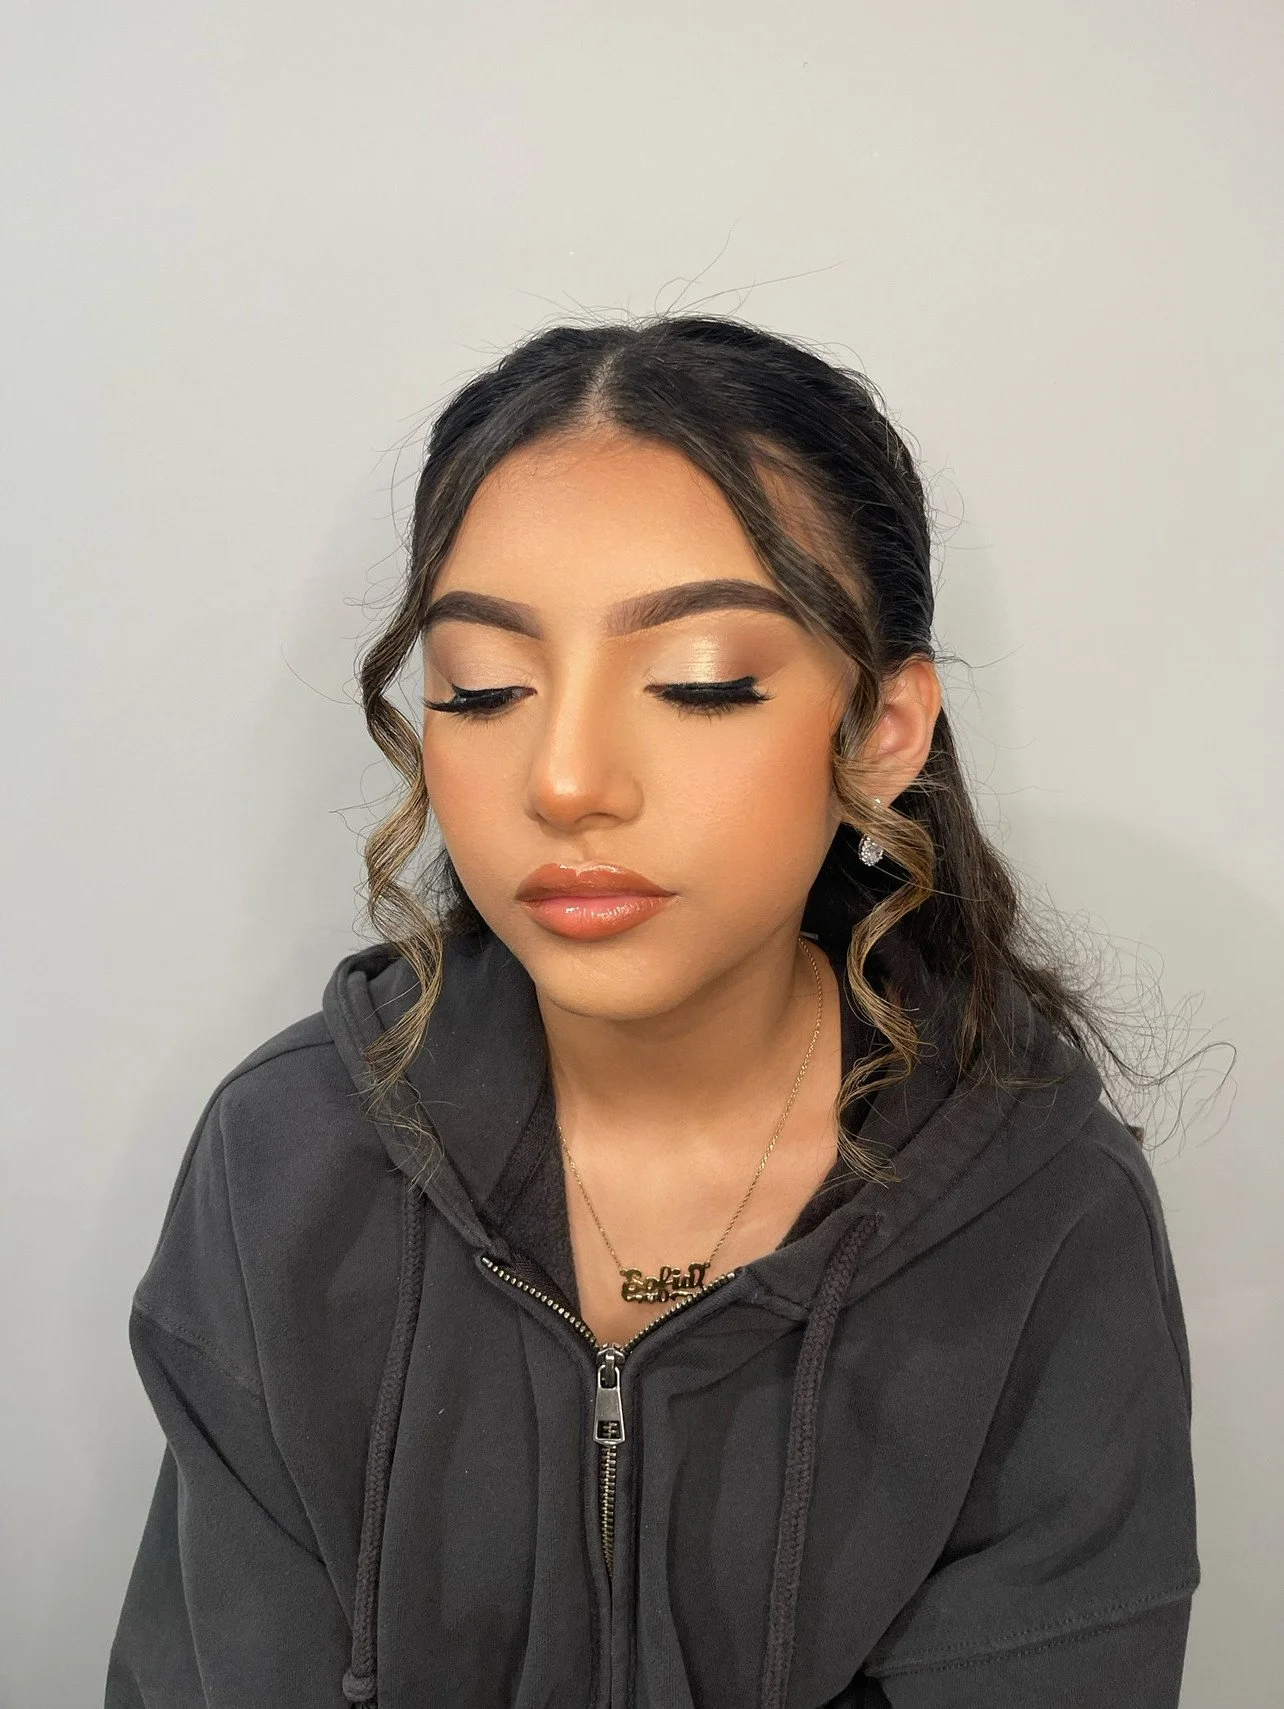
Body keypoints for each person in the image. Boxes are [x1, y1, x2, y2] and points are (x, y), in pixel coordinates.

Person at [106, 316, 1200, 1708]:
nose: (565, 781)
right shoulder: (285, 1168)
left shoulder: (1041, 1217)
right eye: (483, 687)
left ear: (883, 729)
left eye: (698, 682)